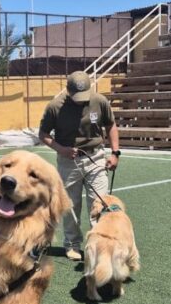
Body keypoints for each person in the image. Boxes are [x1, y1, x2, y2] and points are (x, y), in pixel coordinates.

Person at [37, 71, 121, 261]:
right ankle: (72, 245)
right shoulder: (54, 107)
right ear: (68, 91)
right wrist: (61, 149)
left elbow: (111, 126)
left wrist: (115, 153)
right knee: (71, 206)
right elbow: (43, 134)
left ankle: (98, 244)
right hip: (68, 162)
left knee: (99, 204)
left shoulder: (99, 101)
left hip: (96, 158)